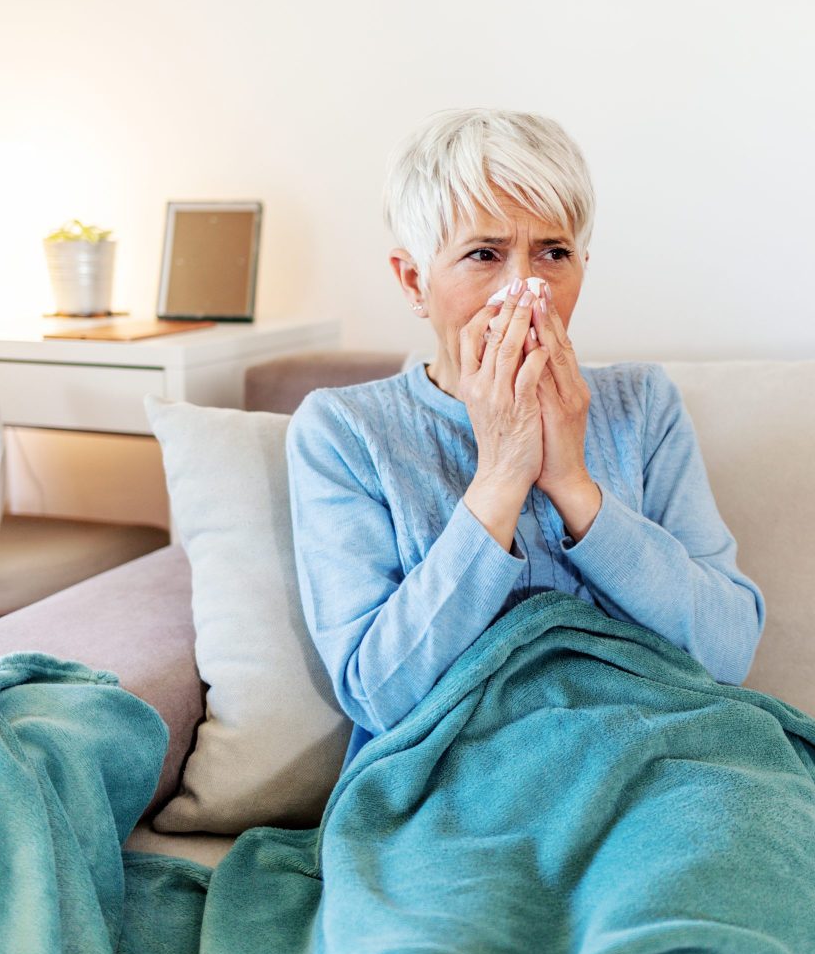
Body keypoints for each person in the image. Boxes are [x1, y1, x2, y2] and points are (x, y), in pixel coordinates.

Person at [286, 107, 766, 774]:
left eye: (554, 253)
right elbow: (380, 692)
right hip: (463, 780)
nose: (525, 289)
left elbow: (727, 649)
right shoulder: (345, 433)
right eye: (484, 254)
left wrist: (573, 482)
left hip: (657, 760)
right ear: (413, 280)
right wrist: (502, 477)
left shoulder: (643, 405)